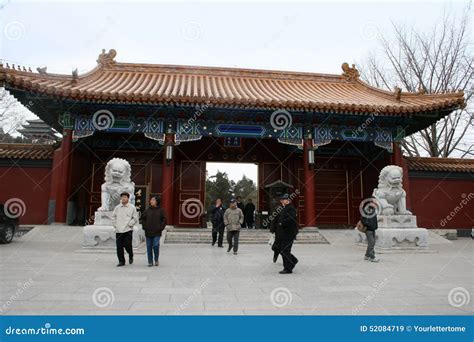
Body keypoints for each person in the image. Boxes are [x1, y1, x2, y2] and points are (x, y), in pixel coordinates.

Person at [112, 192, 139, 267]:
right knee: (119, 246)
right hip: (118, 230)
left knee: (127, 244)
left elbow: (135, 218)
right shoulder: (117, 207)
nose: (123, 198)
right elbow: (113, 217)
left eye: (125, 197)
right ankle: (121, 261)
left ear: (128, 198)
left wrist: (130, 224)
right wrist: (115, 225)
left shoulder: (132, 207)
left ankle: (130, 254)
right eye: (122, 197)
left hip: (128, 230)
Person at [141, 195, 167, 267]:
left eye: (153, 200)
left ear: (157, 201)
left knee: (155, 245)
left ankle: (156, 259)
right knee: (149, 247)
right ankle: (150, 261)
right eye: (151, 200)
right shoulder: (147, 210)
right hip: (148, 231)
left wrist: (160, 227)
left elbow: (164, 220)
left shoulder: (161, 210)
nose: (151, 201)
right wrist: (144, 226)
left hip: (157, 232)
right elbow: (142, 219)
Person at [275, 194, 299, 274]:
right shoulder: (285, 208)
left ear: (288, 200)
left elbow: (291, 219)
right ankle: (293, 261)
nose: (282, 200)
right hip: (284, 233)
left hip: (289, 233)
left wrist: (282, 223)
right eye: (282, 199)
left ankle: (288, 268)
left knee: (285, 250)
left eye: (284, 199)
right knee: (283, 250)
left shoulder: (291, 208)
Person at [361, 198, 379, 262]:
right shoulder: (367, 209)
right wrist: (368, 224)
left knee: (372, 243)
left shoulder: (374, 209)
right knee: (371, 243)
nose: (376, 203)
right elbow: (363, 219)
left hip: (373, 228)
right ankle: (372, 257)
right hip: (368, 229)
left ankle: (367, 255)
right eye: (375, 202)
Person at [269, 198, 284, 263]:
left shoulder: (289, 208)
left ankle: (285, 260)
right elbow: (273, 220)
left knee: (285, 246)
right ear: (281, 201)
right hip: (278, 230)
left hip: (286, 231)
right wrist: (272, 230)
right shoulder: (277, 209)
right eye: (283, 200)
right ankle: (275, 255)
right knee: (277, 245)